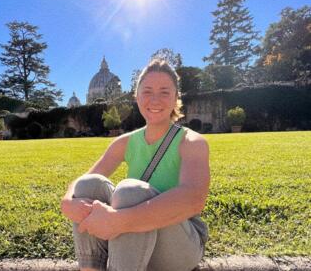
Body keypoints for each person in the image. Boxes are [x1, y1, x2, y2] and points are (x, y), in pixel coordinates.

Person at [61, 59, 210, 271]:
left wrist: (119, 221)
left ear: (176, 98)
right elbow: (84, 179)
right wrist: (67, 201)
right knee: (89, 185)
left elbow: (194, 199)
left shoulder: (191, 141)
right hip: (136, 240)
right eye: (147, 91)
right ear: (137, 96)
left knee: (130, 191)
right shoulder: (125, 142)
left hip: (180, 245)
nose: (155, 99)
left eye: (165, 92)